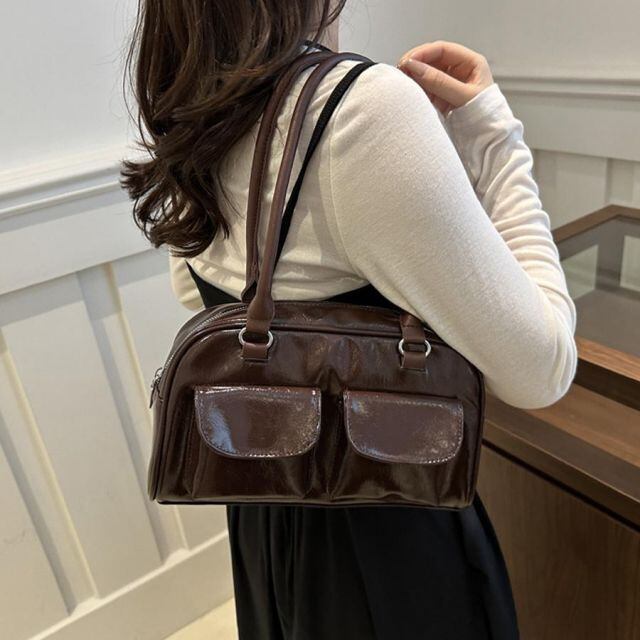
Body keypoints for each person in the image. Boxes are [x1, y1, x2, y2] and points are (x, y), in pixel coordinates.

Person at [122, 2, 577, 638]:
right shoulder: (362, 109)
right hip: (385, 511)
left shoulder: (192, 104)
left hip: (266, 494)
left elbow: (196, 296)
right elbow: (543, 370)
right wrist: (494, 137)